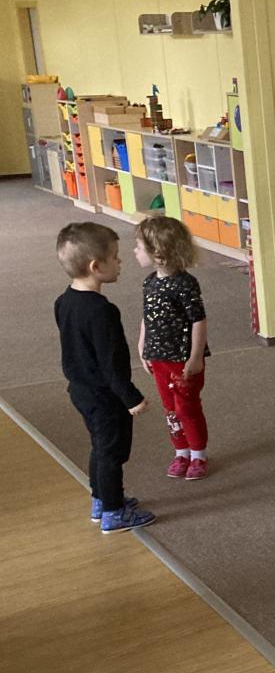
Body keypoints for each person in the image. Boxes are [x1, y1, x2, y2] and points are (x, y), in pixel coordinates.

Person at [54, 222, 155, 533]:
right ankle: (113, 512)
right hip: (105, 395)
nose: (120, 261)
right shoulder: (102, 311)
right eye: (115, 256)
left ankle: (101, 499)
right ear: (96, 267)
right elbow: (111, 364)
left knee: (100, 447)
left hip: (81, 390)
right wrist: (131, 397)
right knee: (112, 452)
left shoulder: (63, 301)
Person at [134, 216, 212, 481]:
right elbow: (148, 316)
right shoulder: (149, 282)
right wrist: (143, 345)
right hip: (158, 358)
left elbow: (198, 320)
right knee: (170, 409)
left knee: (186, 407)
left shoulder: (185, 284)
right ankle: (181, 452)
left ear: (158, 252)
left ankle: (198, 455)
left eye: (139, 247)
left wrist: (196, 357)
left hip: (182, 359)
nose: (135, 251)